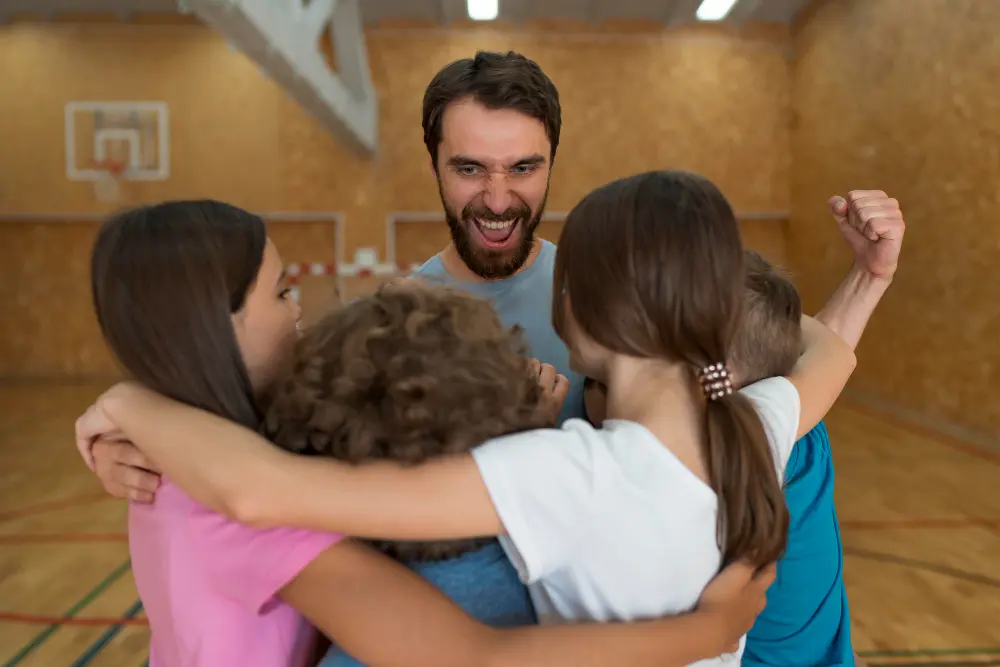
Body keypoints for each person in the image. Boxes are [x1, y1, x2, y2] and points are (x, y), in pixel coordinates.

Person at [77, 170, 864, 667]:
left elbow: (258, 486)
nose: (304, 309)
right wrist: (868, 275)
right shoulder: (749, 416)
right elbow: (827, 354)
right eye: (284, 293)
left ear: (577, 309)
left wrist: (133, 398)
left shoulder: (567, 473)